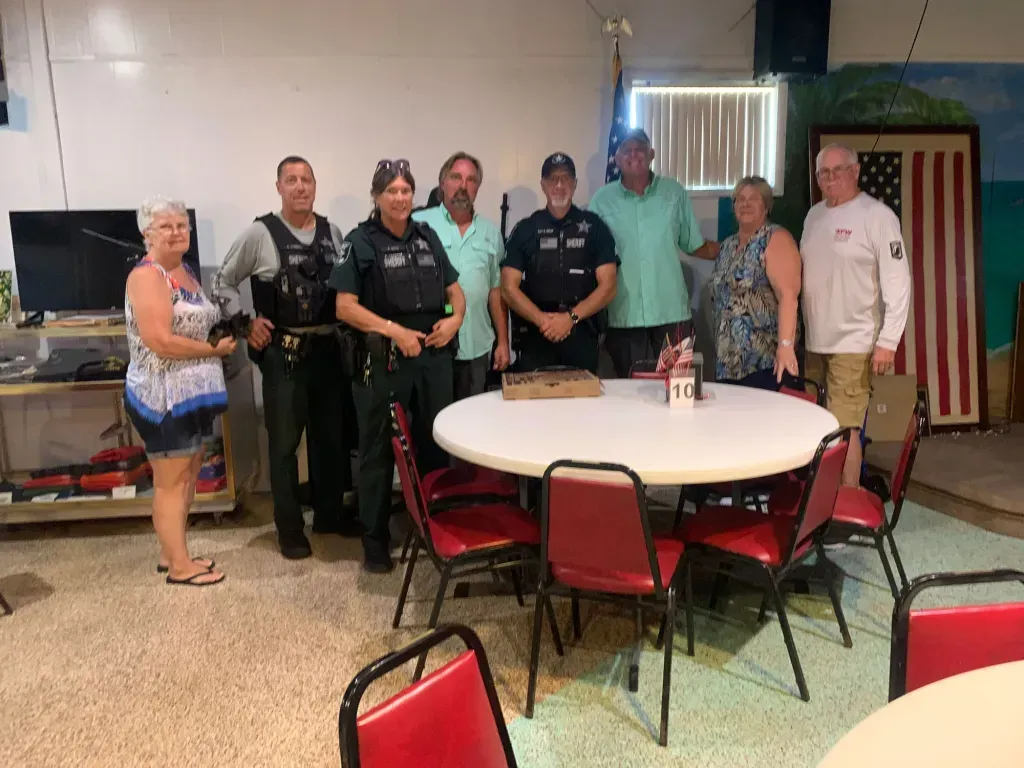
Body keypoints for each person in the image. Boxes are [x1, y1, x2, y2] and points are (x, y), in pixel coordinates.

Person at [212, 156, 357, 560]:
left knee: (331, 441)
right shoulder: (260, 234)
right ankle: (290, 528)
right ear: (278, 187)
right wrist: (244, 323)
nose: (300, 187)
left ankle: (329, 515)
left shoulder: (333, 232)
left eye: (306, 179)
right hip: (284, 355)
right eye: (291, 180)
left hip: (329, 352)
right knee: (284, 446)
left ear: (315, 185)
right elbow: (221, 280)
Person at [330, 159, 466, 573]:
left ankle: (430, 530)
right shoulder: (361, 241)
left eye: (406, 190)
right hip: (384, 361)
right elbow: (345, 306)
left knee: (433, 445)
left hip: (432, 359)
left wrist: (455, 319)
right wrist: (394, 331)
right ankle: (375, 540)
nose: (400, 198)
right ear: (377, 196)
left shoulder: (427, 237)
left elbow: (456, 292)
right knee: (378, 452)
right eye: (391, 191)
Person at [124, 197, 235, 587]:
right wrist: (212, 350)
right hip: (161, 397)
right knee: (171, 481)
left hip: (192, 394)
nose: (176, 231)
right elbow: (160, 340)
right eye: (165, 225)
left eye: (182, 225)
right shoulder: (147, 276)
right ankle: (179, 567)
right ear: (146, 233)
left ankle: (173, 553)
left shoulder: (183, 270)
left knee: (187, 473)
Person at [801, 143, 912, 486]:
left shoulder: (877, 216)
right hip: (816, 341)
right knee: (817, 426)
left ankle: (843, 506)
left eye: (838, 170)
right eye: (824, 173)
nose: (830, 178)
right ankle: (817, 501)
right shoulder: (814, 215)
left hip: (856, 341)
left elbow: (899, 281)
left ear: (856, 171)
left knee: (844, 428)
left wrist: (888, 340)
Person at [588, 128, 719, 377]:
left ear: (652, 154)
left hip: (672, 313)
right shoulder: (601, 201)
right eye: (627, 149)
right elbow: (592, 256)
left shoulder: (674, 192)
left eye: (640, 148)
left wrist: (734, 247)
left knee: (680, 389)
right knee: (630, 391)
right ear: (617, 159)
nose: (634, 154)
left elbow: (692, 243)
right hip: (623, 314)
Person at [501, 152, 619, 373]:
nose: (559, 185)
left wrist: (570, 318)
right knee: (535, 405)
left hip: (582, 332)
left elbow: (609, 286)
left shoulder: (595, 227)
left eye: (566, 178)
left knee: (582, 404)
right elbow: (508, 288)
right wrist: (543, 321)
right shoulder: (526, 229)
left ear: (574, 184)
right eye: (553, 179)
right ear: (543, 185)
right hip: (537, 333)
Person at [412, 152, 509, 399]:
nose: (463, 186)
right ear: (442, 183)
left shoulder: (490, 232)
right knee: (431, 424)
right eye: (456, 177)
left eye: (471, 180)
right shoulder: (417, 224)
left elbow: (495, 293)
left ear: (477, 188)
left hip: (477, 347)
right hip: (431, 344)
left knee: (470, 422)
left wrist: (503, 342)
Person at [709, 176, 801, 390]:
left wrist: (785, 346)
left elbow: (788, 296)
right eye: (740, 199)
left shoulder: (775, 238)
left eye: (753, 199)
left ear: (767, 206)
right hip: (727, 363)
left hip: (765, 362)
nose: (745, 204)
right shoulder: (728, 246)